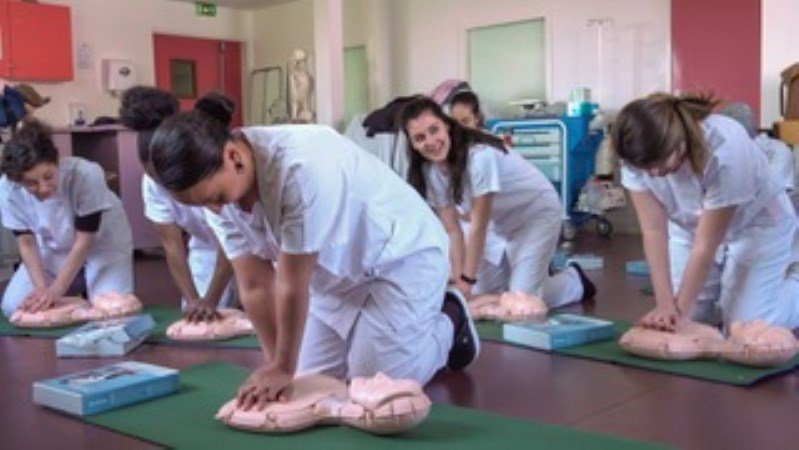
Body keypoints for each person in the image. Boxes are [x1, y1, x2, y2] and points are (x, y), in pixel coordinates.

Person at [146, 104, 479, 409]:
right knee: (312, 386)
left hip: (400, 257)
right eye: (203, 204)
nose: (215, 210)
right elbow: (254, 283)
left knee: (372, 387)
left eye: (216, 197)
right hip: (332, 274)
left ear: (233, 156)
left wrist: (282, 366)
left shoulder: (299, 167)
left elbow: (291, 282)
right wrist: (275, 365)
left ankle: (450, 322)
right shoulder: (216, 189)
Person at [612, 92, 799, 332]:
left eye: (659, 164)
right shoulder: (635, 155)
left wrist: (678, 315)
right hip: (688, 226)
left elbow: (706, 245)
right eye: (645, 168)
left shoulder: (725, 149)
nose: (654, 174)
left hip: (757, 224)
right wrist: (665, 305)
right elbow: (653, 231)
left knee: (743, 326)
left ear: (678, 141)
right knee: (695, 316)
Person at [400, 96, 594, 307]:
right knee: (482, 292)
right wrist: (459, 282)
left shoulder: (480, 156)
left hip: (535, 214)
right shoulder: (430, 171)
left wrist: (467, 281)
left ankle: (575, 281)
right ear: (412, 144)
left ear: (446, 125)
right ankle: (524, 276)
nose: (430, 142)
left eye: (434, 130)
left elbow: (478, 227)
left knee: (521, 299)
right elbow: (453, 231)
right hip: (499, 223)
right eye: (419, 138)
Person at [119, 86, 236, 322]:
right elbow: (172, 247)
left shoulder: (211, 169)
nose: (164, 185)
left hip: (253, 242)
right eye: (155, 177)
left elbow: (232, 240)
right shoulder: (151, 184)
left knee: (264, 309)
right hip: (206, 247)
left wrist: (212, 298)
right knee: (198, 318)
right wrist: (194, 299)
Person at [0, 119, 133, 316]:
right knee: (14, 306)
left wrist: (56, 291)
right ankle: (77, 300)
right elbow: (27, 243)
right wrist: (41, 290)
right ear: (17, 180)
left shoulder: (85, 174)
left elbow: (84, 240)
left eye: (48, 176)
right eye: (31, 183)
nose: (43, 188)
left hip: (102, 245)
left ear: (57, 162)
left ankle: (83, 297)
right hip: (54, 249)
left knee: (111, 310)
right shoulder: (8, 189)